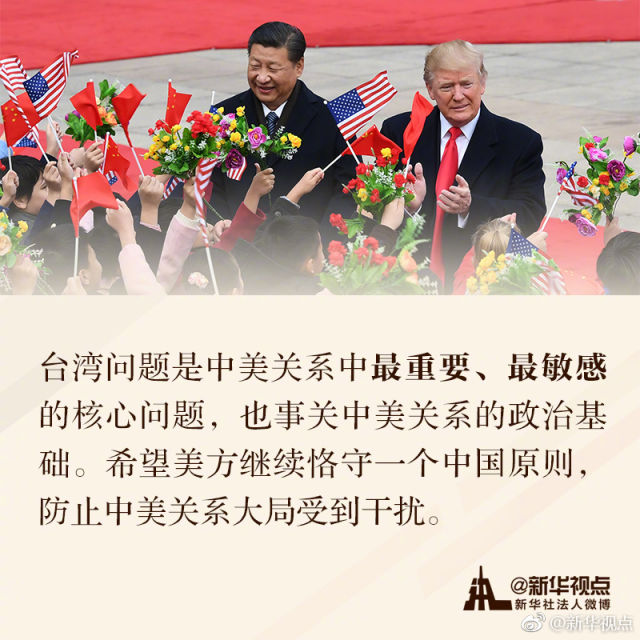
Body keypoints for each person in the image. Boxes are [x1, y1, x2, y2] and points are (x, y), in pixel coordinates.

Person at [381, 39, 546, 292]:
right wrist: (409, 207)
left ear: (482, 83)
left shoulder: (520, 142)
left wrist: (471, 207)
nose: (458, 96)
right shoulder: (400, 131)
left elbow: (530, 214)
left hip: (480, 282)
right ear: (430, 89)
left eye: (466, 84)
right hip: (405, 279)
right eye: (447, 86)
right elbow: (373, 206)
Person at [210, 21, 355, 225]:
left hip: (305, 241)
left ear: (299, 66)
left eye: (273, 68)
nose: (262, 77)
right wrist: (220, 227)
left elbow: (348, 190)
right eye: (255, 66)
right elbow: (208, 183)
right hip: (233, 238)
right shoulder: (224, 115)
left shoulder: (334, 120)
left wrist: (321, 240)